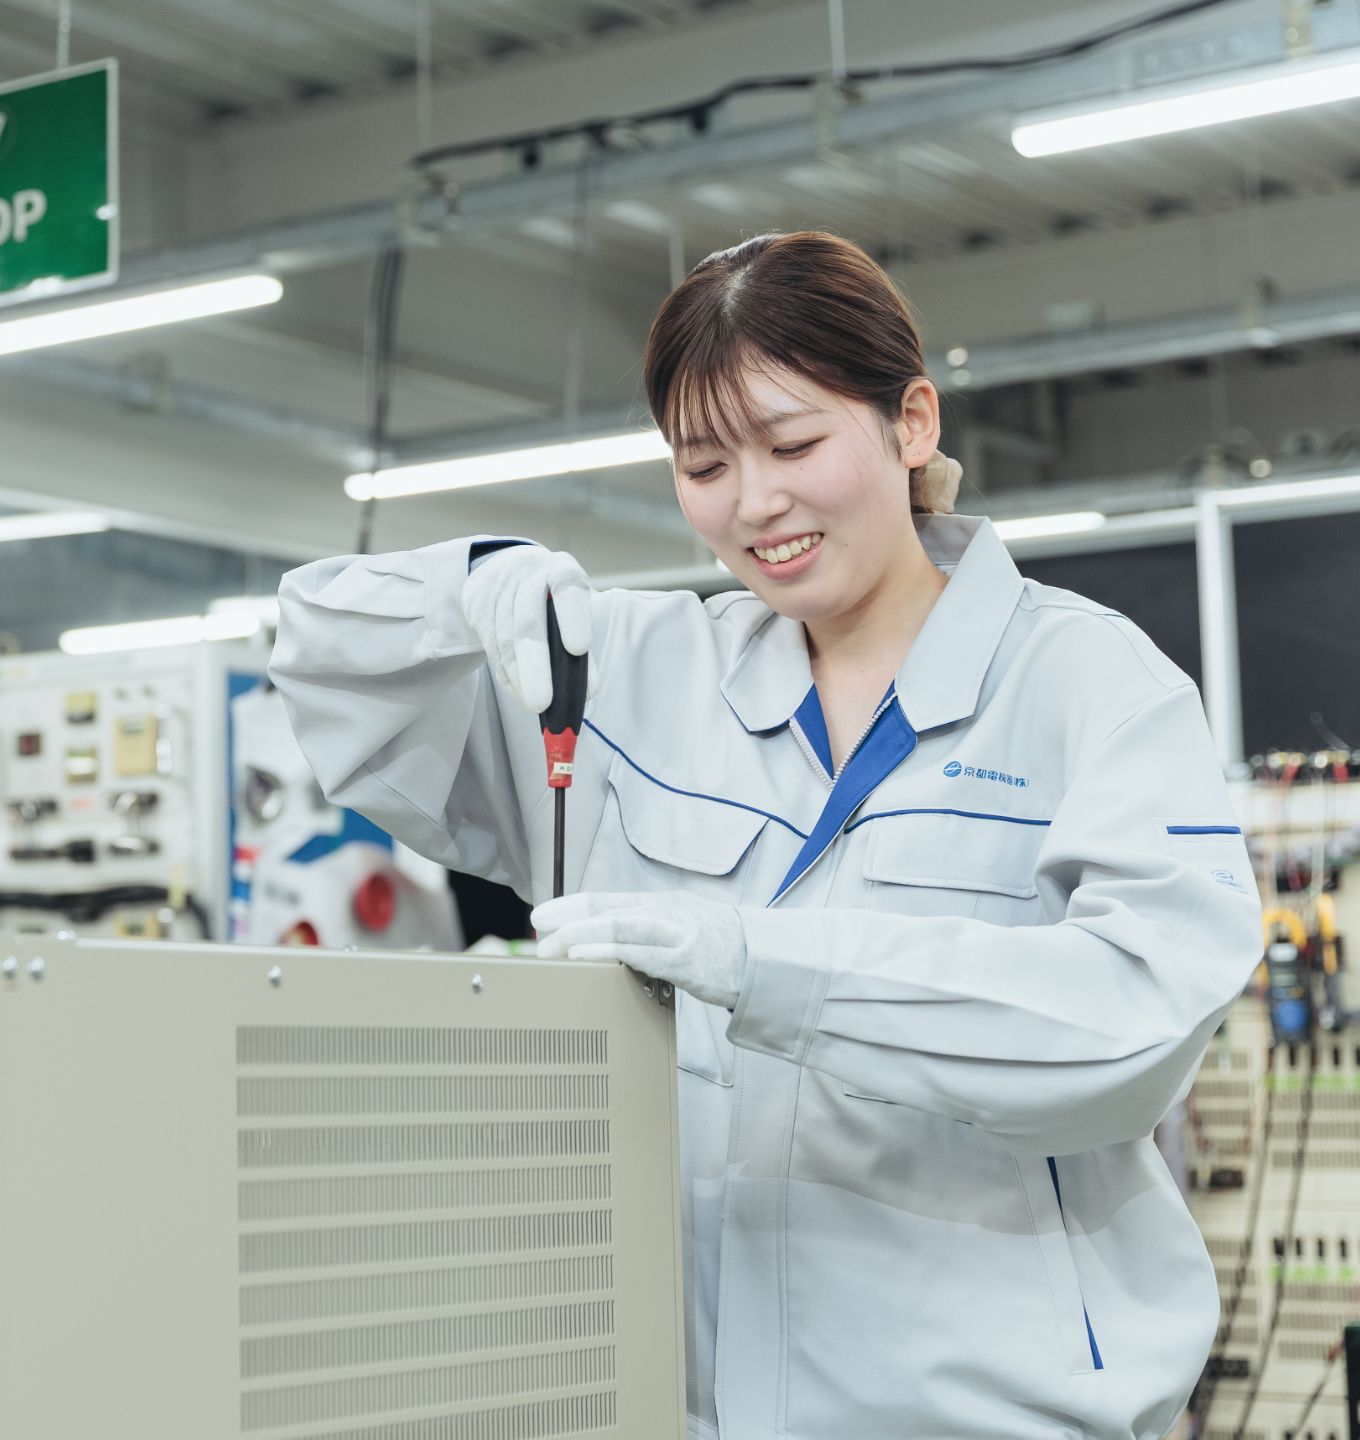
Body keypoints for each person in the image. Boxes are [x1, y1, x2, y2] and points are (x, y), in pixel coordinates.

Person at [270, 230, 1262, 1440]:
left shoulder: (1089, 684)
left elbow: (1131, 1024)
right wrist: (471, 582)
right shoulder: (637, 676)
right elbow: (324, 663)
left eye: (793, 446)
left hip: (996, 1417)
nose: (754, 505)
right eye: (703, 465)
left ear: (910, 424)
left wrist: (759, 966)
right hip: (676, 1410)